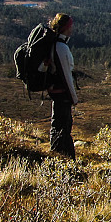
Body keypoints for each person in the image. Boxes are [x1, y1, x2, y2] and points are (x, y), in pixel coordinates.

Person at [47, 13, 79, 159]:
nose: (72, 28)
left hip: (56, 93)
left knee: (58, 124)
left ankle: (58, 156)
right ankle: (63, 158)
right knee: (63, 127)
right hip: (63, 94)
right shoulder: (61, 48)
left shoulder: (54, 45)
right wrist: (74, 98)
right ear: (66, 27)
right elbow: (66, 75)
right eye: (70, 26)